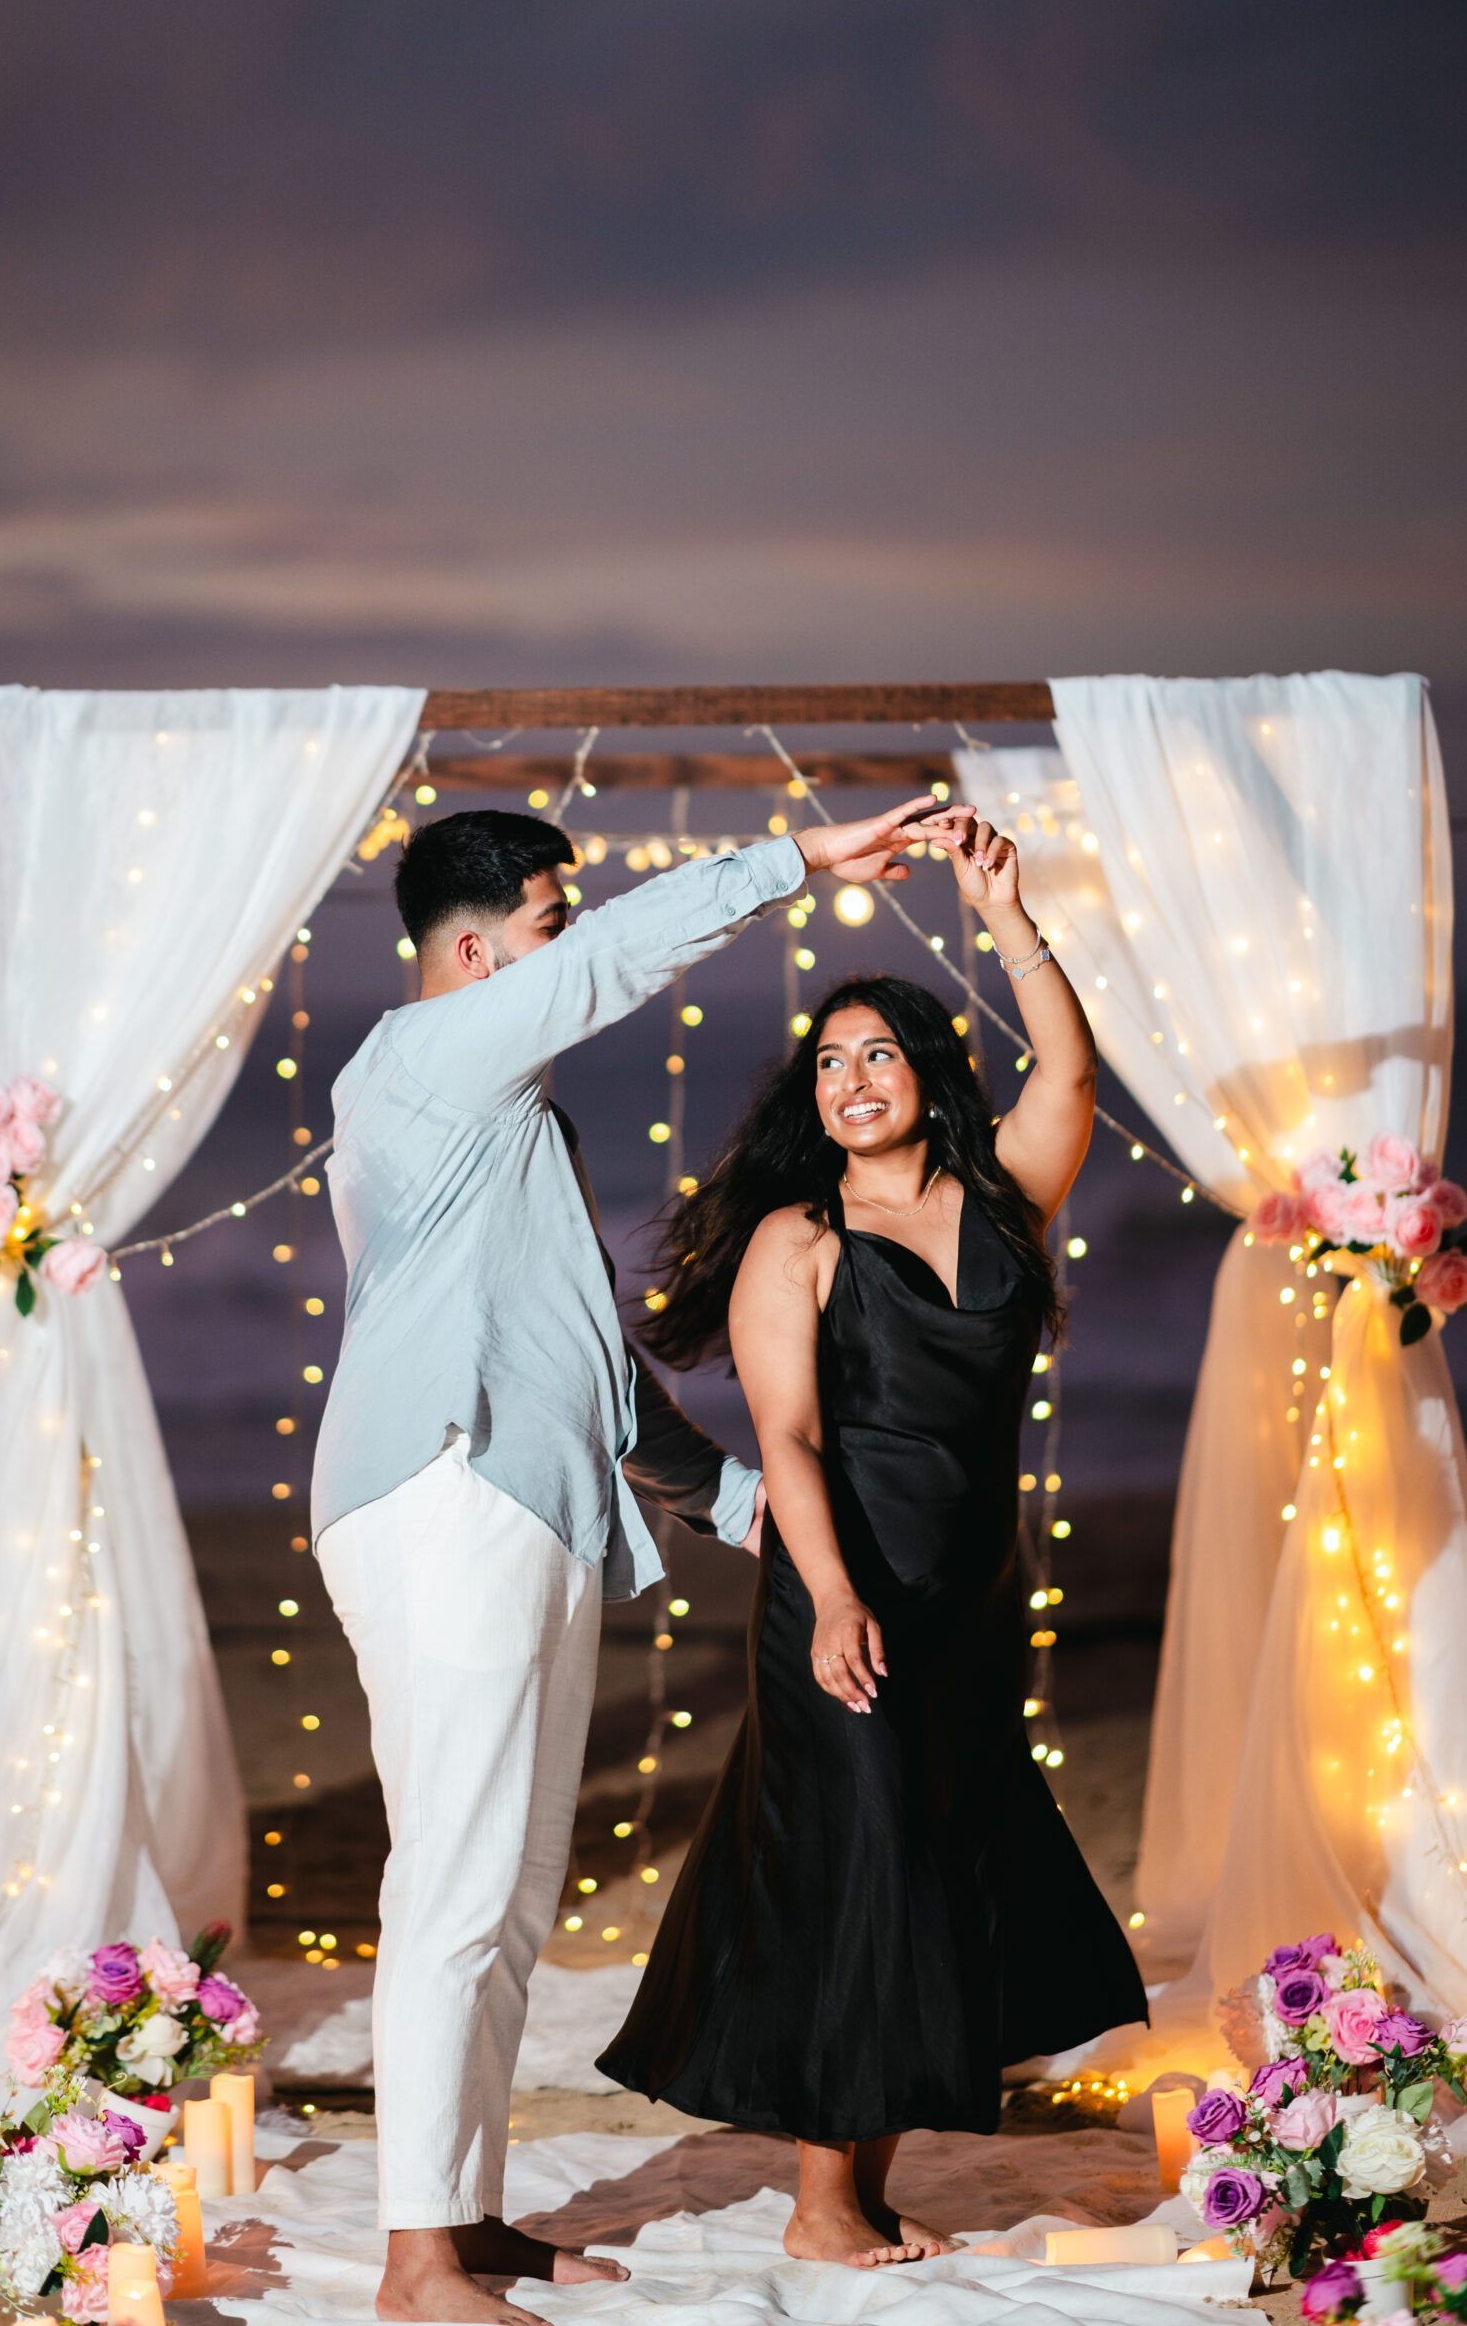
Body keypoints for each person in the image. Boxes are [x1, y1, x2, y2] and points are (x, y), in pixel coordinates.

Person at [311, 794, 952, 2326]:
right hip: (440, 1497)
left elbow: (575, 1365)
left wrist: (733, 1505)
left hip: (522, 1498)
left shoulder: (507, 1116)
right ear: (474, 951)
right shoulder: (423, 1058)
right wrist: (798, 860)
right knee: (452, 1887)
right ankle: (414, 2266)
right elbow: (615, 963)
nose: (562, 952)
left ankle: (461, 2221)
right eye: (543, 924)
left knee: (514, 1894)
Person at [598, 805, 1150, 2268]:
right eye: (829, 1062)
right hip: (837, 1584)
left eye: (878, 1053)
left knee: (936, 1856)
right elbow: (786, 1440)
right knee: (862, 1864)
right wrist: (830, 1596)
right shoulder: (800, 1236)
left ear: (929, 1074)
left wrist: (1009, 920)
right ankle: (822, 2201)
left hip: (965, 1589)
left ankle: (859, 2177)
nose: (850, 1080)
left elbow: (1076, 1070)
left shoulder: (1009, 1201)